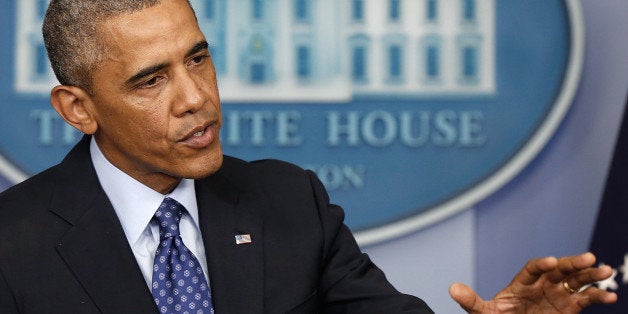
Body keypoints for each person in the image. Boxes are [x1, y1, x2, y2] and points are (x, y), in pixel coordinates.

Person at [0, 0, 617, 313]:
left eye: (197, 57)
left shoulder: (289, 201)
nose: (196, 98)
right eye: (149, 80)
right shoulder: (12, 245)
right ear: (78, 108)